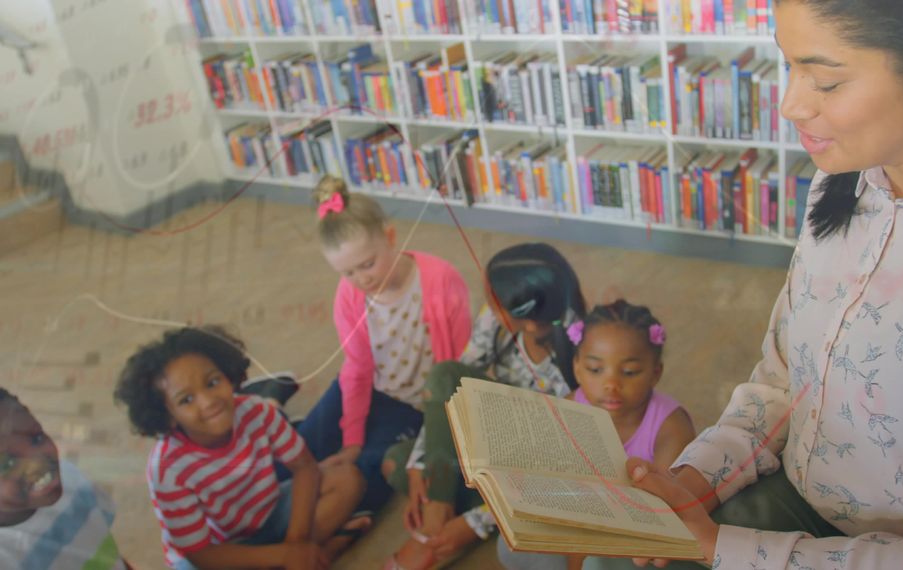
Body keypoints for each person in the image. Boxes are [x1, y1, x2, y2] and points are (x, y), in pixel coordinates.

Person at [591, 1, 903, 568]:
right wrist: (699, 477)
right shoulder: (848, 179)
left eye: (826, 80)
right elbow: (784, 382)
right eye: (790, 66)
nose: (790, 103)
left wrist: (719, 547)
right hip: (803, 496)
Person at [383, 242, 586, 569]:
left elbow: (557, 469)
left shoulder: (583, 361)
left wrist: (474, 524)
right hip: (487, 441)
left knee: (446, 377)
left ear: (529, 321)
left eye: (495, 303)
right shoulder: (498, 321)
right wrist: (422, 462)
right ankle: (448, 505)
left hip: (534, 467)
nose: (488, 308)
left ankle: (444, 522)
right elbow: (449, 390)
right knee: (398, 463)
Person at [289, 175, 471, 516]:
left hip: (414, 405)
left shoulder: (440, 280)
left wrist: (436, 433)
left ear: (390, 237)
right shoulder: (348, 297)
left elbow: (457, 369)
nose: (362, 280)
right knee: (299, 450)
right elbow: (356, 370)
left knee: (365, 476)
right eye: (348, 273)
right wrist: (352, 439)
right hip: (364, 388)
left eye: (367, 264)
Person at [114, 325, 365, 569]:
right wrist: (285, 555)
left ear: (228, 375)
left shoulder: (257, 411)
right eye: (186, 400)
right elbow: (201, 554)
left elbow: (305, 468)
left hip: (269, 515)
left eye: (212, 382)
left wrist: (294, 546)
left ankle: (304, 556)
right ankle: (324, 550)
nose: (209, 401)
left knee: (347, 480)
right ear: (168, 416)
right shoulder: (167, 469)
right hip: (218, 551)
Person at [497, 300, 696, 570]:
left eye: (629, 372)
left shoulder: (671, 427)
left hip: (637, 538)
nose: (611, 384)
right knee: (512, 544)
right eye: (595, 369)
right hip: (577, 519)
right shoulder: (569, 407)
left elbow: (661, 512)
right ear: (577, 367)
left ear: (655, 373)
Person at [0, 388, 127, 570]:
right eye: (6, 464)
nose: (37, 463)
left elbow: (103, 544)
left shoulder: (71, 480)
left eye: (36, 438)